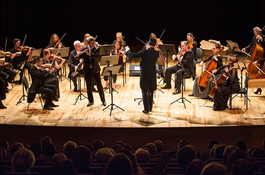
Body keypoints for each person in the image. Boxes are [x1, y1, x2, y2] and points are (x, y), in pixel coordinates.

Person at [126, 38, 159, 114]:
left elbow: (132, 55)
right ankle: (150, 108)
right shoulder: (156, 53)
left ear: (148, 44)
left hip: (144, 73)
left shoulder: (144, 52)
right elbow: (153, 51)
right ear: (155, 45)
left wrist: (128, 50)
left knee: (144, 90)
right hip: (152, 73)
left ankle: (146, 109)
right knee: (151, 90)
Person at [76, 36, 106, 107]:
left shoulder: (96, 48)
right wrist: (79, 54)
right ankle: (90, 101)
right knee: (88, 86)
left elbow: (96, 56)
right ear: (87, 43)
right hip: (87, 69)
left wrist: (89, 54)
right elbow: (79, 57)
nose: (93, 44)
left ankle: (103, 100)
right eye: (91, 43)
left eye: (93, 43)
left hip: (95, 69)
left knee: (99, 85)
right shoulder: (84, 49)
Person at [242, 26, 265, 95]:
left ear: (258, 32)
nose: (254, 34)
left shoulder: (264, 37)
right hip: (255, 57)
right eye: (254, 33)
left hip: (262, 57)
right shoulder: (254, 38)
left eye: (255, 32)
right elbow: (251, 45)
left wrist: (261, 40)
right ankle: (257, 87)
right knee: (256, 72)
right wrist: (245, 49)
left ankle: (259, 87)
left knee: (260, 73)